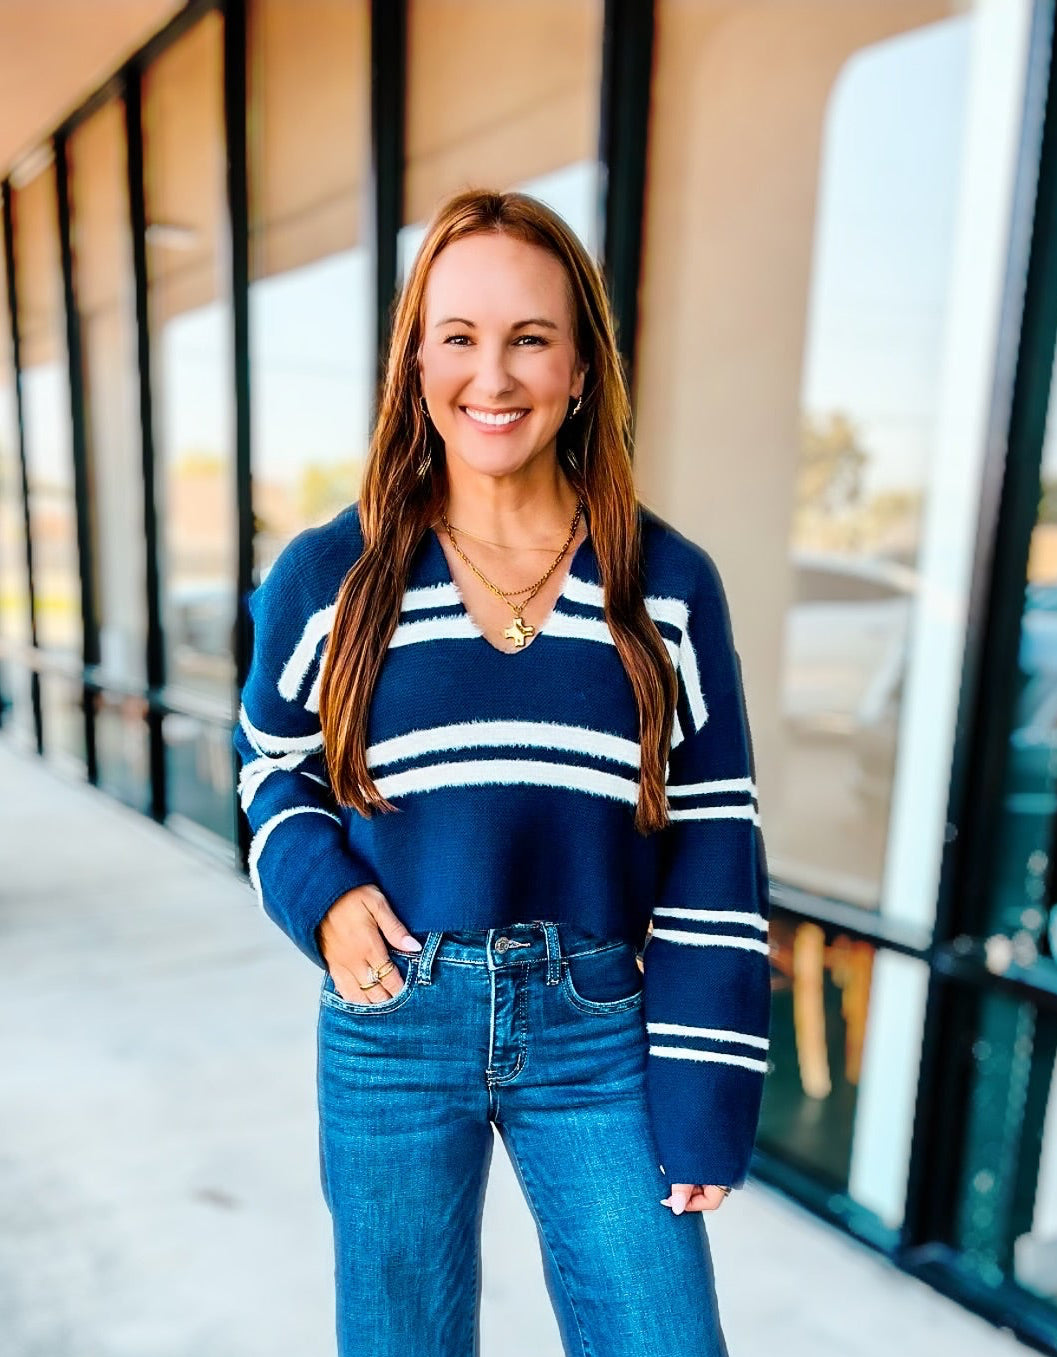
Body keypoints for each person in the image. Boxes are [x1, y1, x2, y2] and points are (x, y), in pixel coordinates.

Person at [233, 187, 772, 1357]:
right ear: (415, 362)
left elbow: (716, 831)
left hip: (595, 1027)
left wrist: (707, 1083)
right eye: (459, 337)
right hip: (394, 1018)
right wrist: (322, 900)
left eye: (530, 337)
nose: (494, 375)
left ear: (581, 366)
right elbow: (269, 765)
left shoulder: (665, 582)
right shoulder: (333, 571)